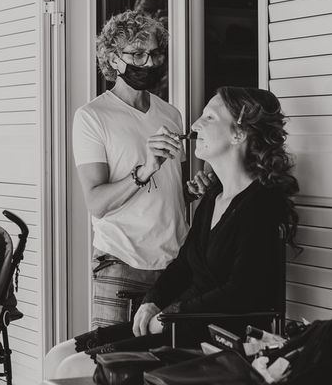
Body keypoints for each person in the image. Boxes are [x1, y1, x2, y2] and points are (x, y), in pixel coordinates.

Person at [45, 86, 300, 379]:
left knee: (72, 368)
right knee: (59, 355)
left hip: (211, 340)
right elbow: (183, 264)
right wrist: (154, 300)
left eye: (209, 118)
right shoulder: (214, 197)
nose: (194, 125)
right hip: (181, 325)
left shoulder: (262, 205)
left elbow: (240, 291)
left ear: (238, 134)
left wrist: (171, 317)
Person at [73, 9, 208, 329]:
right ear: (113, 58)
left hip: (176, 265)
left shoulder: (171, 114)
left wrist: (192, 191)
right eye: (137, 54)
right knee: (113, 365)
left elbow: (170, 194)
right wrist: (143, 171)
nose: (148, 63)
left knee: (166, 366)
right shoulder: (92, 117)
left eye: (155, 54)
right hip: (121, 264)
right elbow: (97, 203)